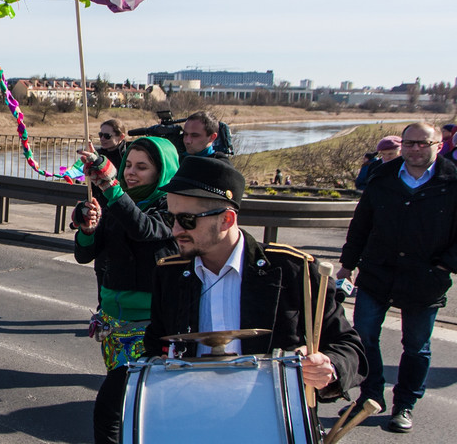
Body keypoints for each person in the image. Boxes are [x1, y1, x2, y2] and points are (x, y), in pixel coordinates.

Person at [144, 157, 365, 407]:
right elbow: (156, 344)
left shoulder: (294, 271)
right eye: (170, 217)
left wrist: (330, 366)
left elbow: (350, 347)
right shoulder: (169, 274)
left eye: (186, 220)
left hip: (272, 411)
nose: (175, 230)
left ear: (227, 219)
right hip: (194, 408)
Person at [337, 122, 457, 433]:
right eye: (410, 143)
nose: (416, 149)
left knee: (416, 346)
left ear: (438, 145)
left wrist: (444, 266)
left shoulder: (452, 181)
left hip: (425, 279)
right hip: (378, 273)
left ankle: (405, 404)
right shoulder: (383, 177)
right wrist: (347, 264)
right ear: (401, 144)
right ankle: (370, 396)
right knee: (363, 338)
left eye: (423, 143)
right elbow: (361, 224)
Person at [73, 137, 179, 444]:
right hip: (113, 323)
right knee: (131, 408)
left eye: (142, 167)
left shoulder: (171, 206)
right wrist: (88, 230)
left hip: (150, 326)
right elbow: (85, 254)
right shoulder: (115, 201)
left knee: (109, 411)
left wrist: (111, 186)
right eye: (128, 165)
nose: (131, 173)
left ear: (162, 171)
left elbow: (143, 228)